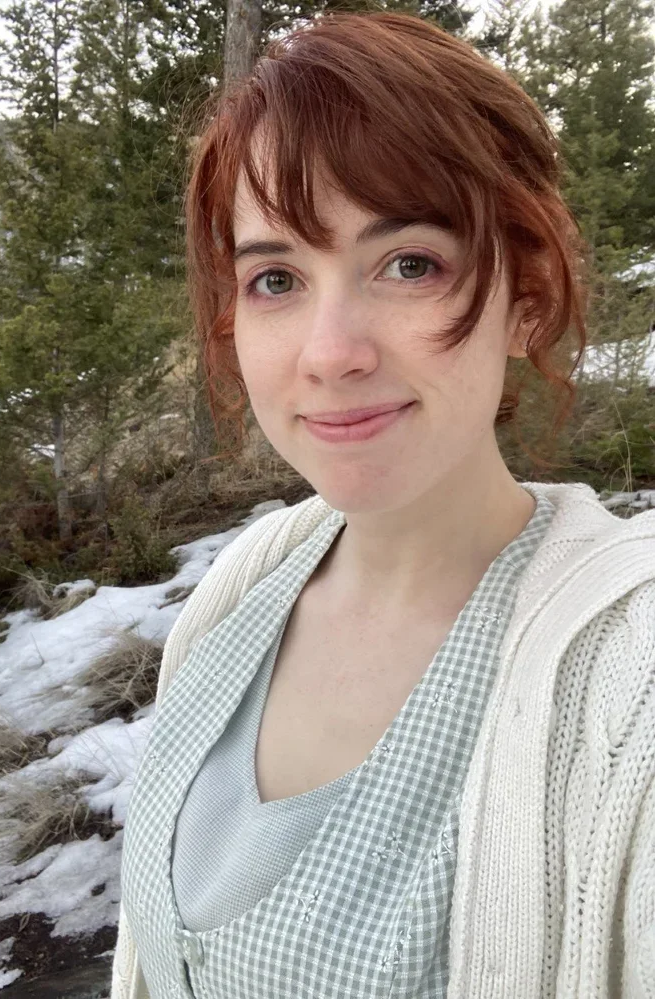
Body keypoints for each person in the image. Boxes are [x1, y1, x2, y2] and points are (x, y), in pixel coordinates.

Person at [111, 11, 655, 999]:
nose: (331, 351)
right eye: (276, 277)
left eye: (409, 264)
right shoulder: (241, 593)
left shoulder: (630, 681)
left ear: (525, 296)